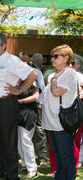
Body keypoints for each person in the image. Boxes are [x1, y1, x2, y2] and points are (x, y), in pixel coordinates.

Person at [0, 32, 37, 180]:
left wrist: (19, 90)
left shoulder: (11, 60)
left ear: (3, 45)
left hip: (6, 103)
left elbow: (33, 75)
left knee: (8, 140)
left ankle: (12, 175)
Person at [41, 44, 77, 179]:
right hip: (51, 122)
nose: (52, 60)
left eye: (56, 56)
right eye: (52, 57)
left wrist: (54, 81)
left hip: (62, 122)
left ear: (66, 58)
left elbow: (56, 92)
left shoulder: (70, 73)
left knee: (65, 154)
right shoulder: (55, 74)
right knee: (57, 154)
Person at [29, 53, 48, 168]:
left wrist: (40, 104)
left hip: (36, 105)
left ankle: (43, 159)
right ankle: (28, 159)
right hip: (24, 107)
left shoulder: (38, 72)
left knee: (39, 132)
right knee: (26, 134)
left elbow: (42, 88)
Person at [17, 81, 39, 179]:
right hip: (17, 116)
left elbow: (35, 97)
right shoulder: (15, 84)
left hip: (28, 115)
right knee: (19, 142)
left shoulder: (31, 84)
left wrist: (21, 101)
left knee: (25, 141)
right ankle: (24, 164)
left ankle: (32, 168)